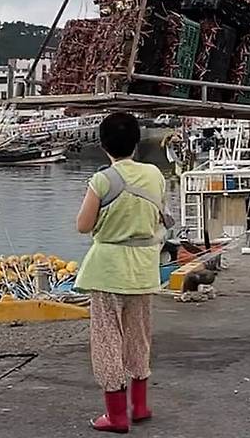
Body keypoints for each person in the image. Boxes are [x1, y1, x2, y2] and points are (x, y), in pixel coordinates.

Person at [75, 112, 167, 433]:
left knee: (106, 340)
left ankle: (115, 416)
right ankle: (139, 407)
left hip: (108, 270)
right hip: (143, 268)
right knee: (139, 335)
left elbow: (83, 225)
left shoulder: (102, 180)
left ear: (103, 145)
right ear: (136, 142)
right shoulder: (154, 174)